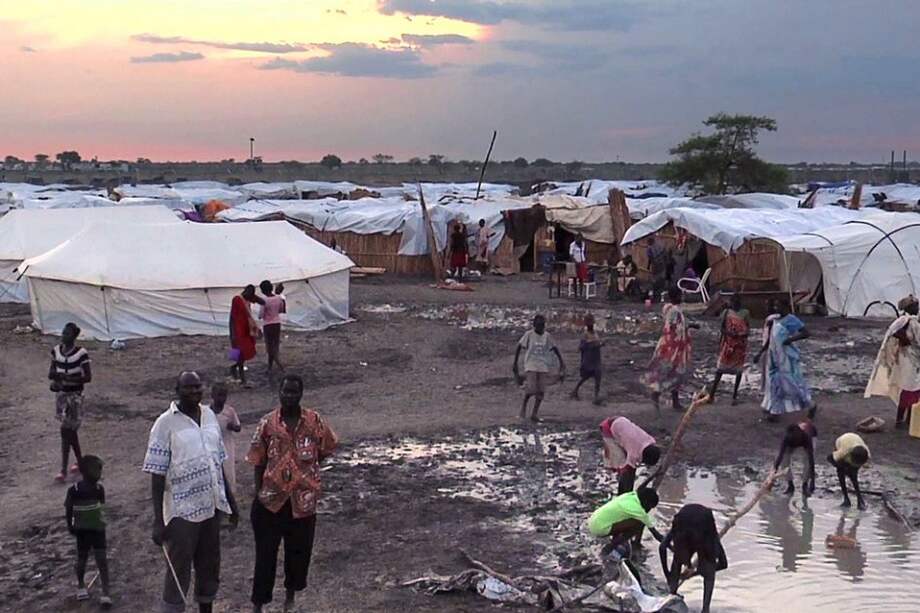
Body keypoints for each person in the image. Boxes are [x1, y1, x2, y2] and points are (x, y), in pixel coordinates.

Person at [143, 371, 239, 613]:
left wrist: (230, 501)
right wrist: (158, 520)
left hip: (211, 507)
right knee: (179, 570)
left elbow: (218, 462)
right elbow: (157, 475)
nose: (194, 391)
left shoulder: (209, 416)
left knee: (209, 566)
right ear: (177, 390)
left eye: (197, 387)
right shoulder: (164, 424)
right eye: (188, 387)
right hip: (181, 513)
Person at [246, 375, 338, 613]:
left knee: (298, 553)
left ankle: (289, 599)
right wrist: (259, 493)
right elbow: (258, 460)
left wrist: (304, 474)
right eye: (285, 391)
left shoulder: (314, 421)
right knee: (265, 556)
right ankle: (258, 604)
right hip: (271, 502)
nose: (289, 396)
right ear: (279, 392)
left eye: (294, 392)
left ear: (301, 393)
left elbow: (326, 448)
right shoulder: (268, 423)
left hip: (302, 502)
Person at [659, 504, 728, 613]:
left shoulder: (682, 534)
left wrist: (668, 575)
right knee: (709, 570)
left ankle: (672, 593)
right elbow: (723, 564)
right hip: (697, 524)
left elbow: (662, 547)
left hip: (689, 523)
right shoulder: (709, 537)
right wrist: (696, 572)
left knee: (677, 560)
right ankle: (705, 609)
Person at [864, 297, 920, 429]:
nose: (917, 308)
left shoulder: (908, 321)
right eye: (915, 306)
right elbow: (895, 333)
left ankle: (909, 419)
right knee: (909, 388)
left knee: (914, 388)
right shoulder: (907, 321)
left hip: (911, 359)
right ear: (908, 307)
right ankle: (901, 419)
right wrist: (905, 340)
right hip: (909, 359)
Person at [65, 455, 112, 608]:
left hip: (95, 529)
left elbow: (101, 508)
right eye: (97, 470)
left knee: (101, 560)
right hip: (85, 530)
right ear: (85, 471)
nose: (99, 473)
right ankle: (81, 585)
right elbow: (69, 509)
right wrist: (70, 525)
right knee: (83, 559)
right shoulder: (75, 490)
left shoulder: (97, 489)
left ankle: (105, 592)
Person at [49, 322, 92, 483]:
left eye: (67, 334)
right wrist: (58, 380)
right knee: (69, 433)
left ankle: (63, 469)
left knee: (65, 431)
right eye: (63, 333)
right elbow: (51, 372)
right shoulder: (56, 351)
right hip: (62, 397)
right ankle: (80, 463)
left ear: (74, 337)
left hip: (74, 397)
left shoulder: (81, 354)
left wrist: (66, 379)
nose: (63, 336)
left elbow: (88, 377)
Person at [642, 287, 695, 414]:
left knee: (674, 373)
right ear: (675, 297)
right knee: (672, 373)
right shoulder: (674, 310)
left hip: (671, 345)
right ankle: (657, 394)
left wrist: (689, 326)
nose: (682, 297)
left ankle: (672, 401)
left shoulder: (670, 309)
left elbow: (676, 325)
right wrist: (686, 329)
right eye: (680, 295)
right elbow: (673, 327)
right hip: (673, 347)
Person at [759, 307, 816, 421]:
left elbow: (806, 333)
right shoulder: (774, 319)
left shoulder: (791, 319)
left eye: (779, 305)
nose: (776, 308)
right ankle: (775, 411)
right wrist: (761, 352)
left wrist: (790, 340)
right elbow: (770, 339)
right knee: (775, 383)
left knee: (791, 384)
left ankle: (810, 405)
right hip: (774, 358)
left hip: (786, 359)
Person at [513, 315, 566, 422]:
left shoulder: (547, 336)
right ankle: (523, 408)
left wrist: (561, 362)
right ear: (534, 325)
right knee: (531, 389)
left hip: (543, 366)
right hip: (531, 365)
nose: (540, 328)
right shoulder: (529, 335)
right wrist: (515, 363)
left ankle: (534, 413)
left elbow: (555, 348)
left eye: (542, 325)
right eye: (538, 325)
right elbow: (519, 346)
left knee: (541, 391)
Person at [587, 487, 663, 558]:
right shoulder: (638, 511)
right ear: (646, 502)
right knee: (639, 523)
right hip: (598, 529)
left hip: (593, 520)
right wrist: (667, 543)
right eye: (650, 507)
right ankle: (610, 547)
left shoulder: (630, 495)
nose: (649, 510)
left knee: (626, 517)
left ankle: (618, 540)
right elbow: (656, 534)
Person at [599, 417, 660, 495]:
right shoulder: (634, 451)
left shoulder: (649, 440)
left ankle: (626, 491)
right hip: (608, 429)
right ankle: (622, 494)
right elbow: (627, 468)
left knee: (629, 468)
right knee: (622, 465)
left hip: (621, 421)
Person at [708, 295, 751, 405]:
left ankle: (734, 396)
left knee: (738, 371)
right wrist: (730, 333)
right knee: (720, 370)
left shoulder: (745, 313)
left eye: (737, 302)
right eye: (734, 302)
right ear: (731, 302)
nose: (735, 304)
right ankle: (711, 395)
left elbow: (748, 329)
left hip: (740, 345)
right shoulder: (726, 313)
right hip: (728, 344)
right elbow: (722, 329)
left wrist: (741, 334)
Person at [773, 419, 817, 497]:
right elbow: (780, 455)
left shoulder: (807, 436)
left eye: (795, 436)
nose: (794, 438)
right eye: (792, 437)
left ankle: (804, 485)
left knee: (807, 462)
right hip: (791, 443)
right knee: (784, 461)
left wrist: (812, 481)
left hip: (809, 438)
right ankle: (790, 485)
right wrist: (773, 472)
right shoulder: (787, 437)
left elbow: (811, 461)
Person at [211, 382, 241, 495]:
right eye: (219, 395)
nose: (221, 398)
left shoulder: (229, 411)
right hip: (212, 445)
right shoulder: (207, 412)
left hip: (227, 445)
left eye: (224, 395)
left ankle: (230, 494)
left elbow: (238, 427)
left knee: (228, 471)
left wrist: (232, 426)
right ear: (212, 395)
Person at [827, 432, 870, 510]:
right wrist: (842, 467)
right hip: (842, 440)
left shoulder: (867, 454)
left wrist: (852, 471)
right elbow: (829, 458)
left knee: (854, 476)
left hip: (855, 440)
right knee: (840, 473)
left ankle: (860, 500)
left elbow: (861, 464)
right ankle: (846, 499)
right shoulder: (842, 452)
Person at [230, 285, 261, 386]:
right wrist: (232, 333)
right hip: (237, 330)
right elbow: (232, 317)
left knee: (244, 351)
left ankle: (234, 368)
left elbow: (261, 302)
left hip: (245, 330)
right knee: (239, 352)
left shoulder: (246, 301)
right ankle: (242, 377)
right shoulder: (237, 299)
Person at [571, 314, 603, 404]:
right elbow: (581, 348)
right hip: (589, 359)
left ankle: (596, 396)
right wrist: (591, 345)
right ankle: (576, 390)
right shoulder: (585, 335)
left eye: (591, 324)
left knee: (598, 376)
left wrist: (599, 345)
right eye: (590, 324)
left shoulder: (595, 333)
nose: (591, 325)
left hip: (596, 359)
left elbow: (597, 343)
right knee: (587, 376)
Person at [258, 280, 286, 374]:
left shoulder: (264, 300)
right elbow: (281, 310)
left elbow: (261, 315)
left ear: (263, 290)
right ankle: (270, 366)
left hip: (268, 324)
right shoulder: (278, 298)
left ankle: (279, 365)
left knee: (269, 347)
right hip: (277, 323)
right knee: (275, 345)